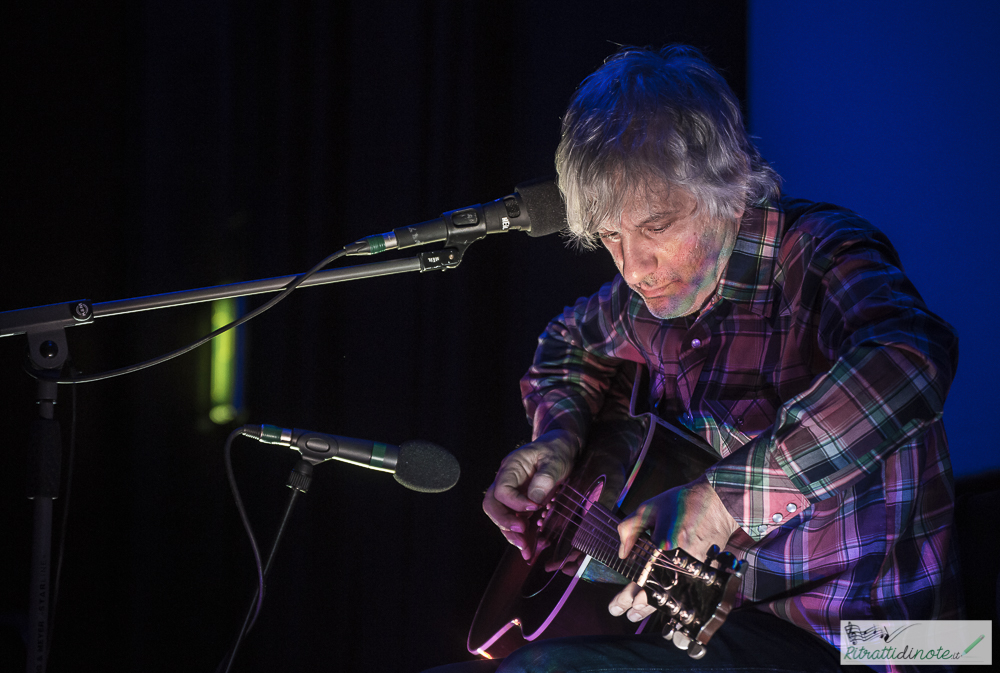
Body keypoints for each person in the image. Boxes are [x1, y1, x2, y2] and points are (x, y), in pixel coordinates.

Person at [468, 45, 961, 673]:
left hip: (890, 647)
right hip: (717, 636)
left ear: (728, 188)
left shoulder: (820, 254)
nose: (633, 267)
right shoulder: (640, 303)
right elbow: (565, 346)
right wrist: (561, 438)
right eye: (610, 237)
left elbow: (910, 361)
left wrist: (724, 501)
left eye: (656, 226)